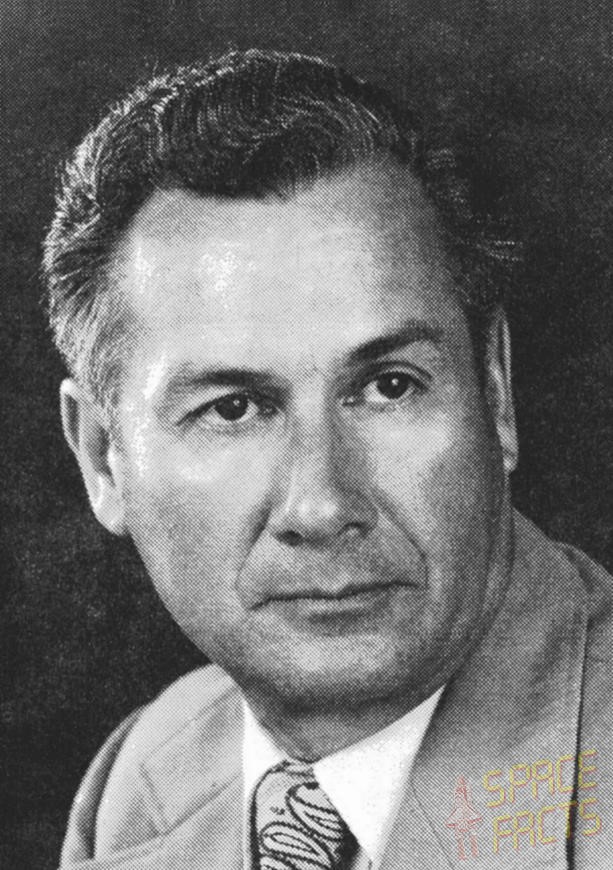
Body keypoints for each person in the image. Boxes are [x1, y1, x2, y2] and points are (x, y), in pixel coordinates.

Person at [43, 49, 612, 870]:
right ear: (103, 458)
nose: (321, 504)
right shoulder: (141, 778)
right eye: (232, 408)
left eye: (388, 387)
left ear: (494, 391)